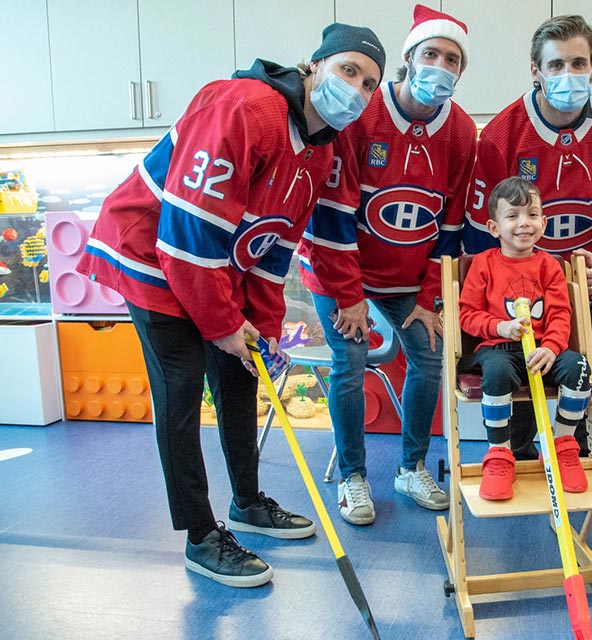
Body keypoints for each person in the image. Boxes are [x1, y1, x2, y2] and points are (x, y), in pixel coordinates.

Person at [76, 24, 386, 586]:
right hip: (154, 255)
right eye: (348, 71)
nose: (358, 89)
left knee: (242, 376)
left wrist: (262, 331)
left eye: (370, 84)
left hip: (217, 266)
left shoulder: (321, 153)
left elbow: (272, 251)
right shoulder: (246, 107)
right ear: (313, 66)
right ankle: (200, 535)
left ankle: (247, 502)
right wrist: (223, 325)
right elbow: (186, 236)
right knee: (182, 387)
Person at [298, 5, 477, 525]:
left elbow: (451, 226)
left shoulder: (462, 132)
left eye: (452, 60)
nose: (440, 66)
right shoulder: (365, 114)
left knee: (427, 356)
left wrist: (426, 301)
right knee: (350, 361)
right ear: (408, 58)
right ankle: (353, 476)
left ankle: (410, 467)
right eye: (431, 54)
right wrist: (350, 297)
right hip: (341, 272)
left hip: (407, 279)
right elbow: (333, 212)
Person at [462, 14, 592, 459]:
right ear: (536, 71)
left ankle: (577, 453)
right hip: (518, 283)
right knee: (521, 366)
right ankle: (519, 453)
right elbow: (483, 223)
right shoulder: (501, 134)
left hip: (584, 274)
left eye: (579, 63)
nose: (568, 74)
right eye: (556, 65)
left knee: (580, 368)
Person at [458, 177, 592, 500]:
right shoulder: (483, 265)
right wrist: (498, 327)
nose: (523, 223)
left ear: (543, 222)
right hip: (498, 350)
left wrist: (552, 347)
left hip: (543, 351)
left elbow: (561, 314)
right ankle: (499, 456)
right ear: (494, 227)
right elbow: (466, 315)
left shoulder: (550, 266)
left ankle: (561, 449)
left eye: (532, 215)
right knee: (498, 372)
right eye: (513, 215)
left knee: (580, 367)